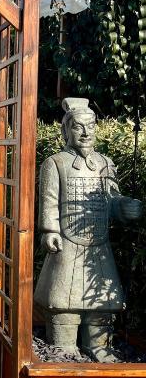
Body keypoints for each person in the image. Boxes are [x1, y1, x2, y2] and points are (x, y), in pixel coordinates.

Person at [34, 98, 142, 362]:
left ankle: (98, 346)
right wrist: (50, 230)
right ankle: (63, 346)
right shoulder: (55, 163)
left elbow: (111, 199)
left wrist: (124, 207)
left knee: (102, 301)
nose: (85, 132)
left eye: (91, 126)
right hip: (67, 243)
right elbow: (48, 200)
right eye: (78, 127)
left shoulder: (106, 163)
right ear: (66, 131)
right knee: (63, 301)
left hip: (99, 243)